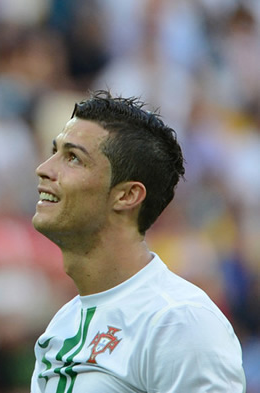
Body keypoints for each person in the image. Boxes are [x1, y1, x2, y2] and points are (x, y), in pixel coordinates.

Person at [30, 90, 246, 392]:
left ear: (127, 195)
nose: (44, 169)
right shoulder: (61, 326)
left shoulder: (178, 321)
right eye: (55, 152)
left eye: (73, 158)